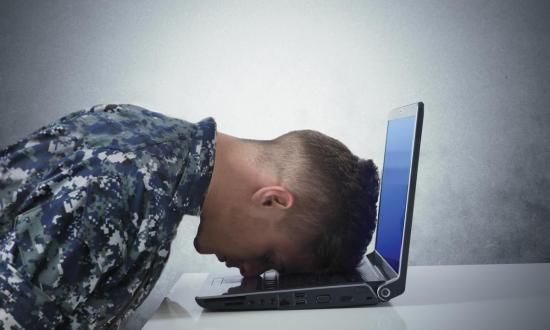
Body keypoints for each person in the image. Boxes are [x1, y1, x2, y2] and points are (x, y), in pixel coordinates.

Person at [0, 103, 380, 329]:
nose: (250, 272)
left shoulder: (161, 164)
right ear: (272, 201)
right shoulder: (123, 185)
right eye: (269, 258)